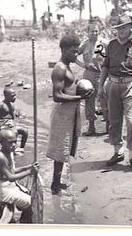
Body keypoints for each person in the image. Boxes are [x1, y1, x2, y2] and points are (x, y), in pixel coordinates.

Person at [98, 13, 132, 172]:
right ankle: (117, 152)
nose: (121, 31)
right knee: (114, 120)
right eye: (118, 28)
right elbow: (105, 66)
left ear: (130, 28)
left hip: (131, 85)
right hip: (112, 84)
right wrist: (100, 86)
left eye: (124, 27)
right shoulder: (111, 45)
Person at [46, 34, 93, 194]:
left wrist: (79, 87)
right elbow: (57, 96)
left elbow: (68, 88)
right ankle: (55, 185)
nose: (76, 55)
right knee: (60, 150)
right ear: (64, 50)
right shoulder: (60, 68)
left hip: (71, 112)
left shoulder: (67, 66)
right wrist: (80, 96)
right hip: (62, 114)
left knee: (66, 148)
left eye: (77, 51)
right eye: (73, 52)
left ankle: (57, 182)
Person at [0, 129, 39, 223]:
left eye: (15, 142)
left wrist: (28, 167)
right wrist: (30, 171)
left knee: (29, 195)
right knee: (31, 202)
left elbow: (13, 171)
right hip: (3, 191)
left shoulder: (8, 152)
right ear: (1, 143)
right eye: (10, 143)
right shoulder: (0, 157)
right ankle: (24, 221)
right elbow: (11, 177)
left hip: (9, 187)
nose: (13, 145)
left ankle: (22, 213)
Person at [76, 23, 109, 135]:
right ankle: (91, 126)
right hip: (89, 74)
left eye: (96, 31)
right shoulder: (84, 44)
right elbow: (74, 55)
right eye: (92, 31)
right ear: (88, 32)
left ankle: (109, 125)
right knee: (89, 99)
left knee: (104, 98)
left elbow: (112, 56)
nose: (94, 33)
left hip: (102, 74)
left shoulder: (105, 43)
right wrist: (83, 65)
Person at [0, 87, 28, 154]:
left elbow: (12, 118)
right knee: (14, 133)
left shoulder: (12, 105)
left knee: (25, 131)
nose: (14, 97)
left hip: (11, 125)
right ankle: (13, 150)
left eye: (15, 95)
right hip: (4, 126)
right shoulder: (1, 105)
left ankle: (21, 149)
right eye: (12, 96)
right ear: (6, 96)